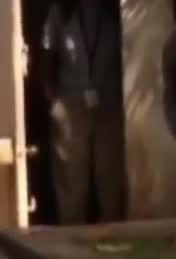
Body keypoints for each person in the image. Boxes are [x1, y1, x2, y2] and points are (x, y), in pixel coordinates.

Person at [39, 0, 127, 224]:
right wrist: (54, 100)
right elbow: (47, 56)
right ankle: (71, 232)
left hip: (109, 102)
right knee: (71, 177)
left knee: (110, 174)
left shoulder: (116, 13)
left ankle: (113, 232)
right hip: (71, 104)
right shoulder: (60, 12)